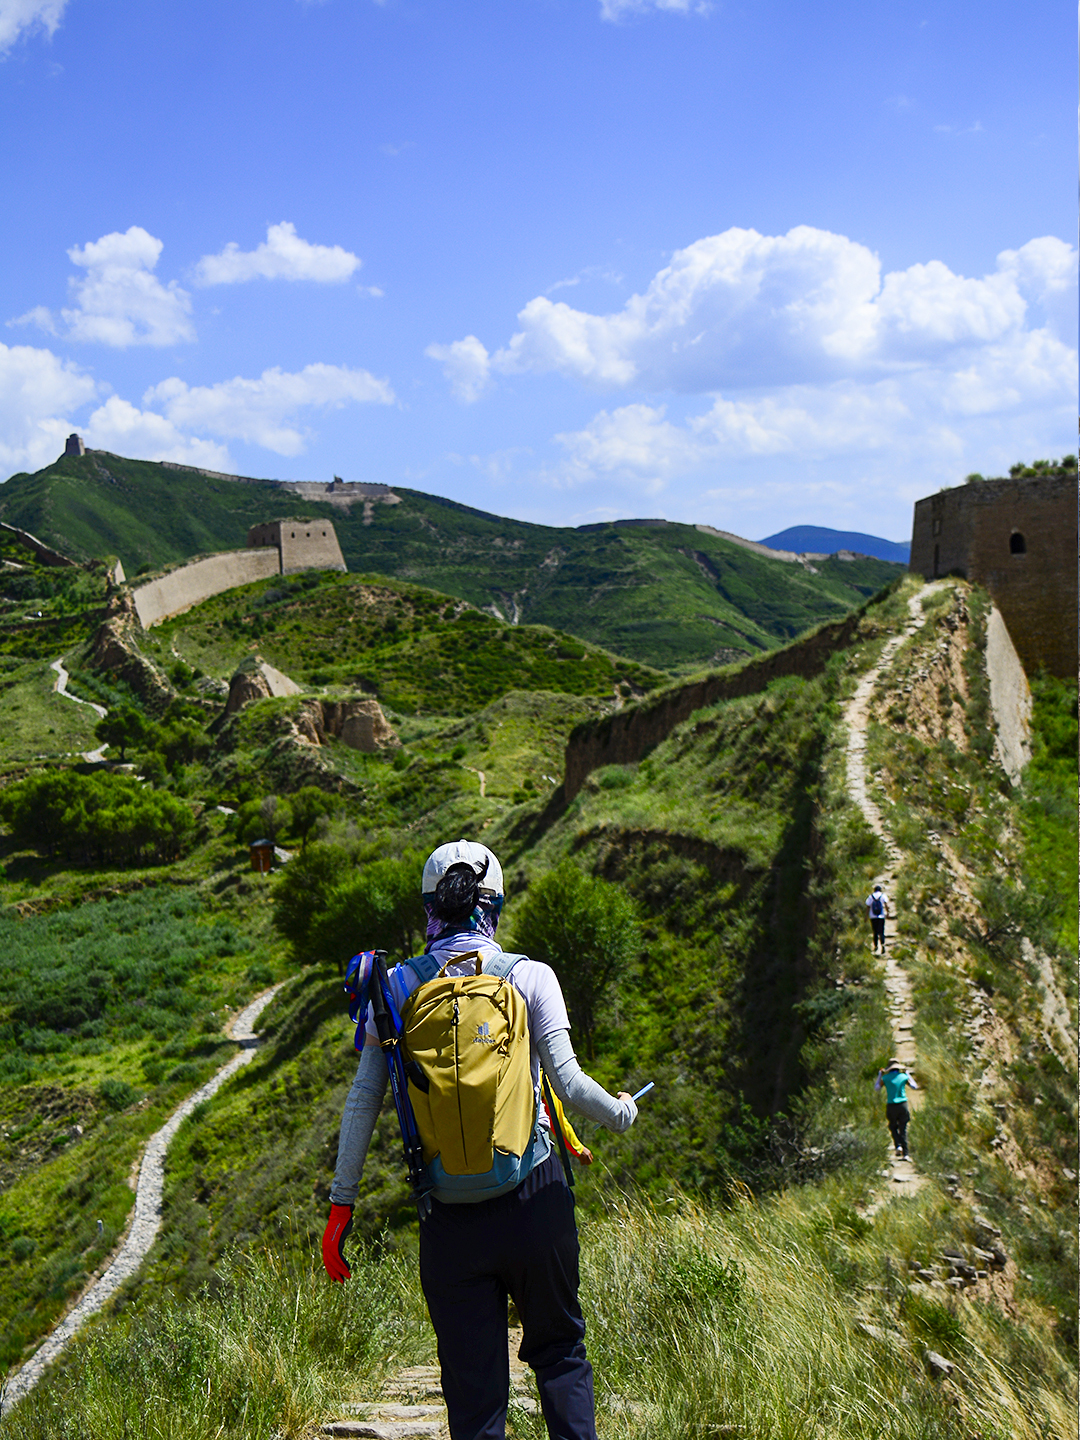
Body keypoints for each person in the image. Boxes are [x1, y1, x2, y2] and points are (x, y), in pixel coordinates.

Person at [321, 839, 637, 1440]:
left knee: (474, 1396)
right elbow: (568, 1083)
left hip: (447, 1214)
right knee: (560, 1353)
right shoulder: (530, 976)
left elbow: (363, 1101)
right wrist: (621, 1113)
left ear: (430, 907)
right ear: (493, 906)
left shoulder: (394, 988)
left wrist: (342, 1207)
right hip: (535, 1199)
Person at [874, 1058, 919, 1159]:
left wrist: (880, 1074)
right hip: (903, 1105)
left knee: (892, 1126)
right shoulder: (903, 1077)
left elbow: (877, 1088)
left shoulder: (885, 1078)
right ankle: (906, 1153)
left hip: (891, 1105)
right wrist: (908, 1074)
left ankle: (898, 1145)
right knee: (903, 1128)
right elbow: (914, 1086)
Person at [865, 884, 890, 953]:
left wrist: (866, 916)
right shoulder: (883, 896)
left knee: (875, 932)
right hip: (881, 916)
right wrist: (888, 913)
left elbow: (868, 907)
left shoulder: (871, 897)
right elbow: (886, 905)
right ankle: (883, 945)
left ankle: (876, 946)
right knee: (881, 931)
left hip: (873, 917)